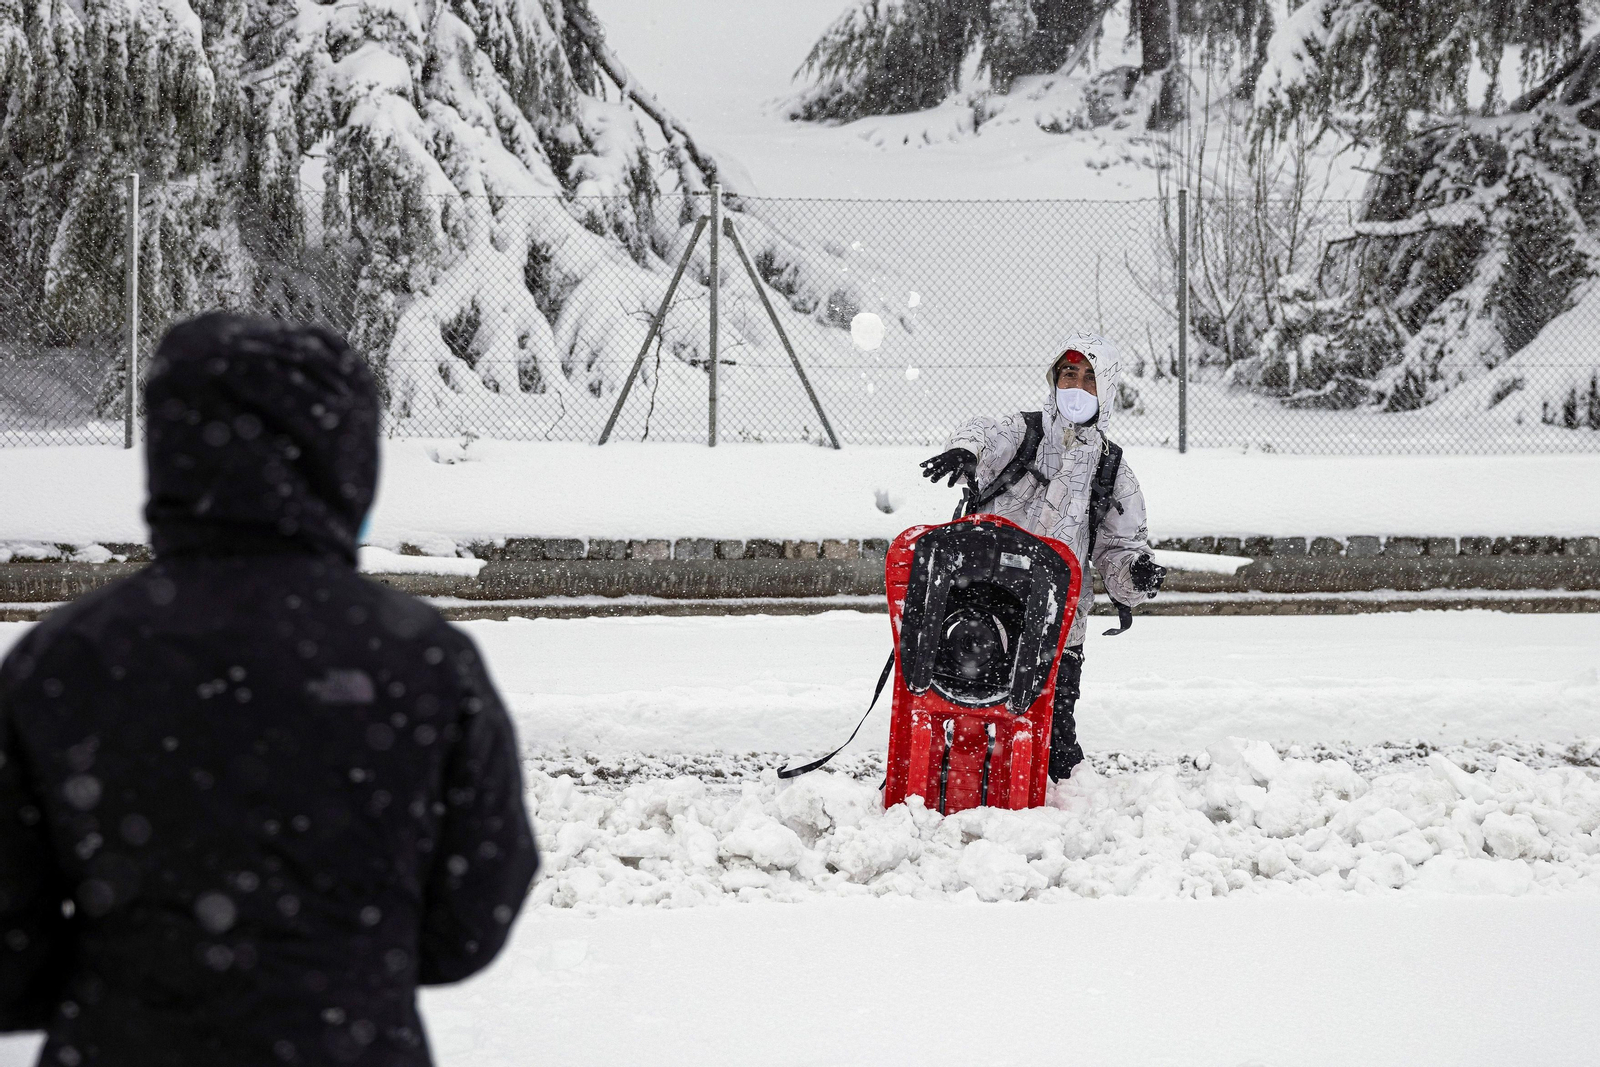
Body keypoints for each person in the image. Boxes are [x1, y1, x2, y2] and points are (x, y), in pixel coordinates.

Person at [0, 314, 538, 1065]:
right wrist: (343, 967)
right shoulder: (421, 660)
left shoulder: (64, 661)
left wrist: (136, 978)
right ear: (348, 460)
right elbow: (472, 916)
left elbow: (9, 950)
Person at [919, 334, 1166, 781]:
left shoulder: (1112, 469)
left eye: (1089, 377)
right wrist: (966, 451)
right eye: (1069, 373)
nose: (1077, 385)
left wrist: (1136, 573)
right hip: (984, 608)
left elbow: (1119, 549)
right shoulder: (1023, 432)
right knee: (961, 720)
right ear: (1054, 378)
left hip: (1058, 625)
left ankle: (1061, 804)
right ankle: (946, 794)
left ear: (1106, 388)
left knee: (1056, 744)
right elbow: (985, 433)